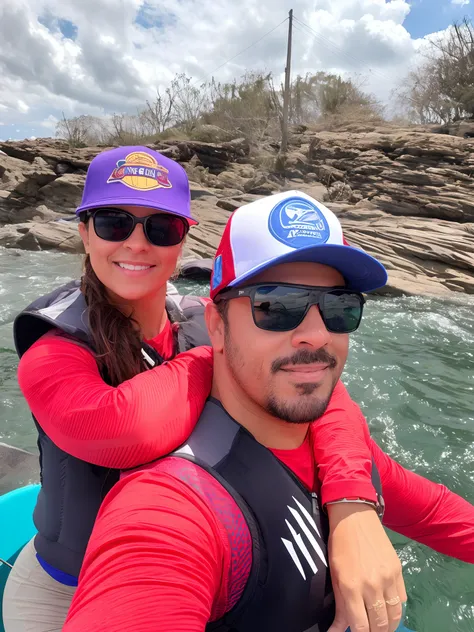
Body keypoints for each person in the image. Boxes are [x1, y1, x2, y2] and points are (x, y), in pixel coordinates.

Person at [2, 152, 403, 632]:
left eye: (161, 228)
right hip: (62, 589)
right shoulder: (57, 347)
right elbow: (114, 428)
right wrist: (223, 357)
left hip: (195, 569)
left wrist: (352, 504)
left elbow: (323, 392)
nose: (136, 244)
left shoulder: (197, 318)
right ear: (85, 231)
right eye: (113, 223)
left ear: (183, 241)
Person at [62, 191, 474, 632]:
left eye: (339, 308)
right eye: (275, 306)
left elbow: (441, 518)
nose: (316, 335)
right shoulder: (173, 509)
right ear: (216, 326)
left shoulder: (342, 457)